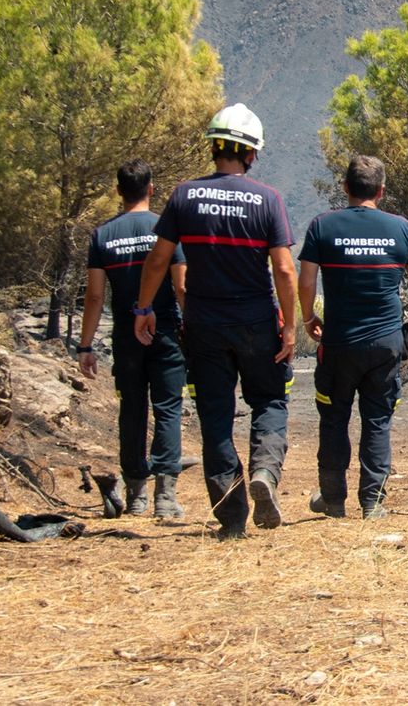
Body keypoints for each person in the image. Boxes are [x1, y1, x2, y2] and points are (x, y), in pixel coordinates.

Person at [134, 103, 297, 539]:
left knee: (215, 417)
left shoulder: (184, 196)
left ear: (213, 149)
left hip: (204, 325)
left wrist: (144, 308)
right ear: (251, 154)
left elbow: (158, 261)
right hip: (257, 321)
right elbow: (284, 269)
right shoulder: (268, 200)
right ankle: (264, 470)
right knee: (270, 400)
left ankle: (230, 518)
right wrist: (290, 325)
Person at [298, 155, 408, 519]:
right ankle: (372, 502)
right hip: (385, 345)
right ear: (382, 191)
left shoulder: (322, 226)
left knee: (333, 418)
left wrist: (309, 317)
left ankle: (333, 499)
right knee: (377, 420)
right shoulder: (402, 228)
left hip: (338, 343)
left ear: (345, 188)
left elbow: (306, 280)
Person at [77, 160, 188, 518]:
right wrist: (195, 329)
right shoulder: (166, 229)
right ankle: (165, 497)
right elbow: (181, 285)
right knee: (168, 408)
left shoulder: (102, 235)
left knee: (132, 410)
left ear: (118, 191)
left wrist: (85, 345)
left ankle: (136, 494)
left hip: (126, 336)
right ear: (151, 188)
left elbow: (94, 297)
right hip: (166, 332)